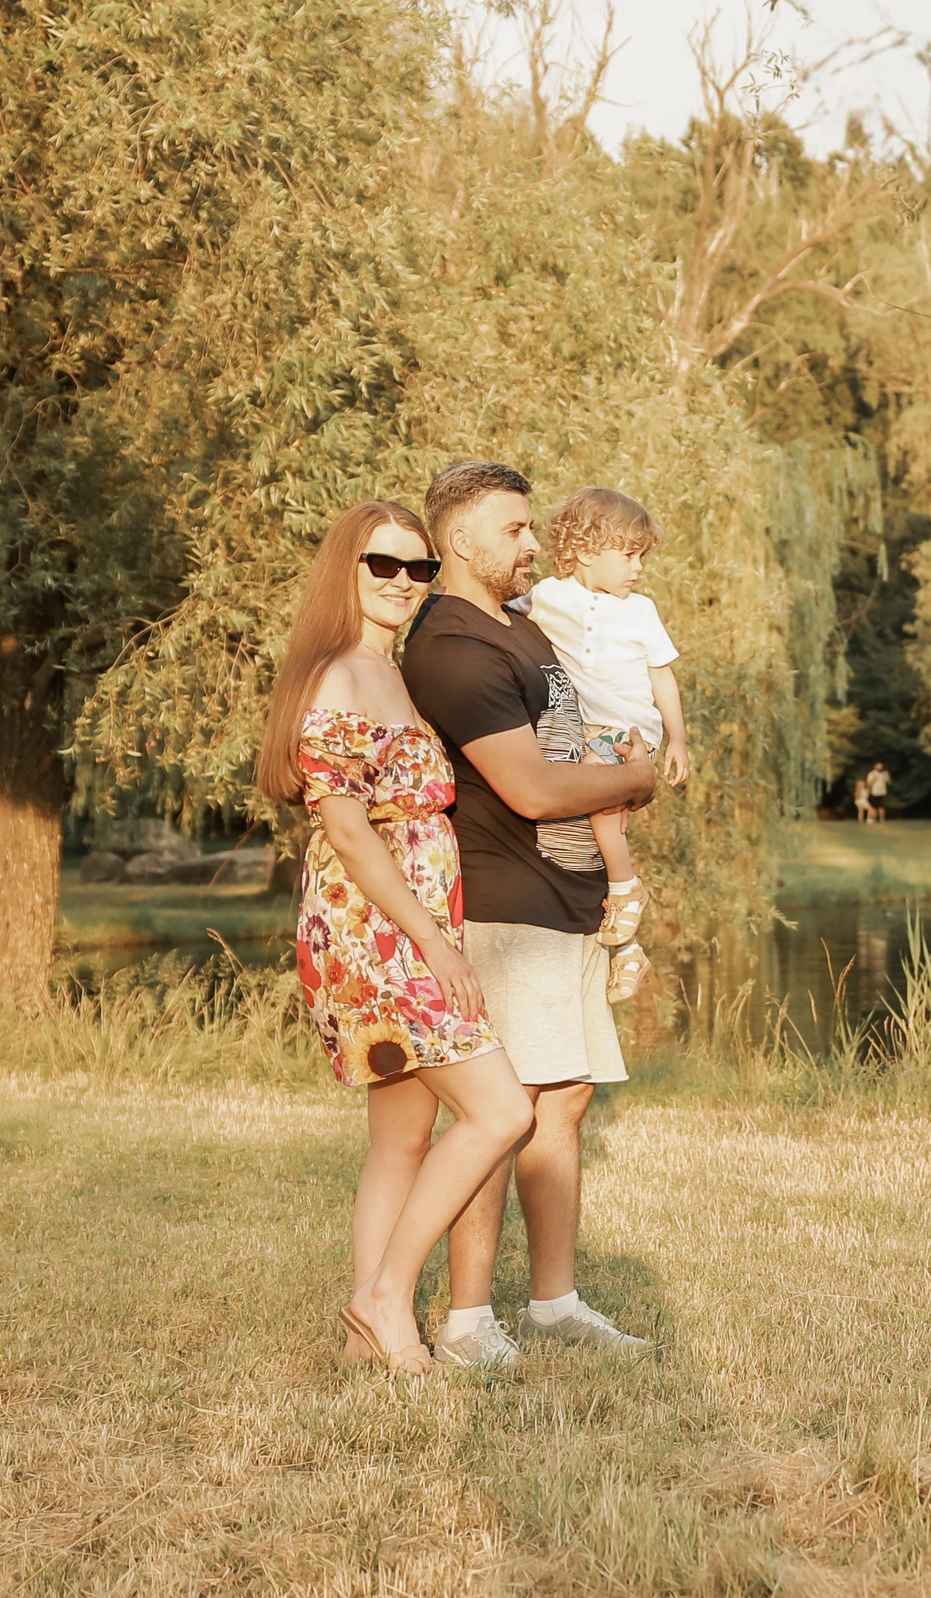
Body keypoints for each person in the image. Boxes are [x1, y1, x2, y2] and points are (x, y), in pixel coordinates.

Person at [255, 500, 536, 1378]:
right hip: (374, 932)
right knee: (503, 1110)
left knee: (401, 1139)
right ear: (348, 566)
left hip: (406, 923)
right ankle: (385, 1297)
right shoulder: (340, 676)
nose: (404, 585)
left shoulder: (393, 673)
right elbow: (347, 831)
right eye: (385, 565)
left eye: (419, 570)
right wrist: (438, 945)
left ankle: (358, 1336)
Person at [399, 461, 661, 1368]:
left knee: (566, 1097)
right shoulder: (452, 646)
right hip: (503, 903)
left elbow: (573, 749)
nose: (531, 544)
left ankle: (554, 1300)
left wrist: (621, 765)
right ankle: (469, 1321)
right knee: (505, 1111)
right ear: (460, 539)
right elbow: (531, 786)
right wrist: (634, 778)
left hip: (563, 899)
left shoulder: (515, 626)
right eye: (513, 529)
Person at [521, 487, 690, 1004]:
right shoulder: (548, 596)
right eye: (629, 555)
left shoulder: (641, 611)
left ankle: (625, 889)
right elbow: (494, 606)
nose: (638, 567)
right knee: (588, 837)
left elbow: (662, 677)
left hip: (629, 730)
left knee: (599, 815)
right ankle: (628, 949)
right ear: (587, 549)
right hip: (581, 731)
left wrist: (678, 738)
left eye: (642, 556)